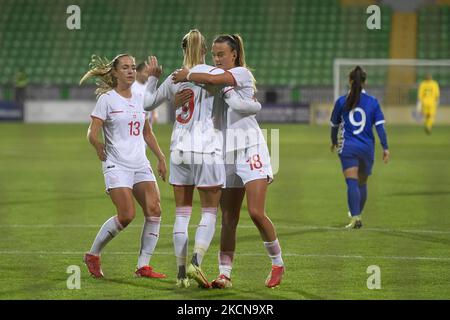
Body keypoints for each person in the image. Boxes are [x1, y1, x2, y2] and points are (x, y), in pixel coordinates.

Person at [172, 34, 285, 289]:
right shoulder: (212, 79)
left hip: (250, 148)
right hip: (224, 152)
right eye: (214, 54)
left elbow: (213, 80)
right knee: (229, 217)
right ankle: (225, 274)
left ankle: (277, 263)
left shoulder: (240, 74)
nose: (217, 58)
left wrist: (187, 74)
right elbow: (192, 100)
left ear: (234, 54)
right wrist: (177, 96)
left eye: (221, 54)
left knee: (256, 212)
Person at [79, 53, 167, 279]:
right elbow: (92, 130)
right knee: (127, 215)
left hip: (140, 164)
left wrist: (160, 157)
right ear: (115, 72)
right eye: (125, 68)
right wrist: (97, 144)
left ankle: (143, 266)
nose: (130, 71)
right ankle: (93, 254)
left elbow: (147, 132)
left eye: (132, 68)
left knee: (155, 210)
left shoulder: (141, 99)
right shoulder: (107, 99)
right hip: (116, 164)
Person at [330, 66, 390, 229]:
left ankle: (355, 216)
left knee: (352, 183)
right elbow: (380, 128)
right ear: (365, 82)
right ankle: (357, 215)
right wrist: (385, 147)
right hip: (366, 148)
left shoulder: (342, 101)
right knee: (362, 183)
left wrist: (333, 141)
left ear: (350, 81)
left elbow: (334, 125)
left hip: (348, 147)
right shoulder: (372, 102)